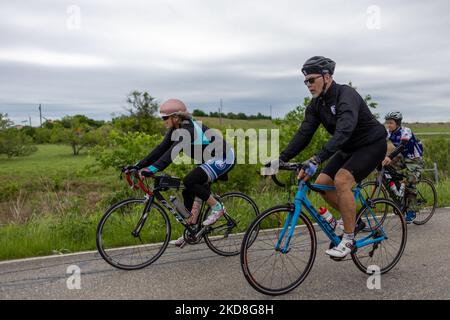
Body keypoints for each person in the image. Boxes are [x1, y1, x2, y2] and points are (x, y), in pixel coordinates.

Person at [271, 56, 387, 258]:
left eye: (311, 80)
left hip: (372, 145)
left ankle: (349, 239)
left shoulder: (345, 95)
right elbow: (304, 134)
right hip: (348, 147)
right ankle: (354, 220)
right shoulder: (317, 104)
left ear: (327, 77)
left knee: (342, 180)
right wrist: (280, 158)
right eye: (305, 81)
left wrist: (317, 158)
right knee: (322, 183)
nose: (308, 85)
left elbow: (344, 130)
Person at [126, 99, 235, 246]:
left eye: (165, 117)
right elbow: (160, 149)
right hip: (207, 159)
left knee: (190, 181)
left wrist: (152, 169)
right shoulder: (175, 130)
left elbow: (171, 153)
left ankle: (218, 208)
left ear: (176, 117)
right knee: (187, 191)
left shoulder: (188, 129)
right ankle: (193, 229)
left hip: (223, 157)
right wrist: (137, 166)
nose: (163, 120)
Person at [382, 111, 424, 223]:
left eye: (391, 123)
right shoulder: (388, 132)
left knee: (411, 182)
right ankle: (398, 195)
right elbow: (378, 141)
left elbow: (402, 145)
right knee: (383, 169)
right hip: (402, 158)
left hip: (415, 158)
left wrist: (390, 156)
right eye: (387, 123)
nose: (388, 125)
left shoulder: (406, 131)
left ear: (398, 123)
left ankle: (412, 211)